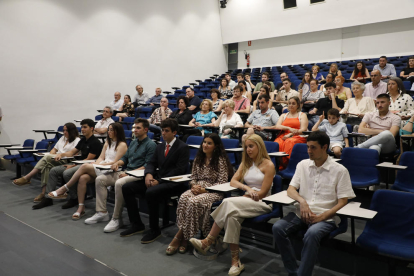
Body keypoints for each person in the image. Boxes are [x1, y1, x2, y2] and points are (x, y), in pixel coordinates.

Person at [190, 134, 275, 276]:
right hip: (246, 199)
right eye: (246, 147)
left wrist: (251, 194)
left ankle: (208, 240)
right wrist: (247, 189)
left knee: (227, 202)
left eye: (251, 146)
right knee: (232, 217)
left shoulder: (269, 165)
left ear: (259, 146)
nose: (248, 150)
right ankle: (235, 263)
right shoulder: (246, 162)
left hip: (263, 202)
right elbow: (233, 182)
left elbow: (263, 193)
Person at [273, 131, 355, 276]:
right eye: (308, 147)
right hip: (302, 213)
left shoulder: (340, 170)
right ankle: (293, 271)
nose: (309, 151)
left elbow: (343, 201)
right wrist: (302, 201)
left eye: (313, 147)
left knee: (311, 234)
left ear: (325, 147)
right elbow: (291, 189)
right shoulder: (302, 165)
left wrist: (322, 217)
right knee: (278, 227)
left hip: (326, 216)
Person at [121, 118, 190, 243]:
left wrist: (159, 181)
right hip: (158, 179)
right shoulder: (160, 146)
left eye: (166, 131)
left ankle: (154, 229)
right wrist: (148, 174)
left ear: (174, 132)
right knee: (127, 187)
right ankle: (136, 224)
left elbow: (179, 170)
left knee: (151, 192)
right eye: (162, 130)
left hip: (174, 183)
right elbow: (151, 163)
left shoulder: (182, 147)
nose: (163, 133)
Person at [84, 119, 156, 232]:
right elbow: (125, 158)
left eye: (138, 128)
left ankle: (116, 218)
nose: (135, 130)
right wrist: (117, 163)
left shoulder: (151, 145)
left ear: (146, 130)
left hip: (139, 174)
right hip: (127, 171)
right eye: (134, 128)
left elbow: (148, 165)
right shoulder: (133, 142)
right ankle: (102, 212)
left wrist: (127, 173)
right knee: (100, 179)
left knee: (119, 183)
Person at [166, 134, 233, 255]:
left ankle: (181, 236)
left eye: (209, 143)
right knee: (183, 197)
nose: (205, 145)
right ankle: (185, 236)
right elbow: (193, 177)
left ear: (216, 146)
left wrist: (205, 190)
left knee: (193, 202)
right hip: (198, 188)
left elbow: (222, 183)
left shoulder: (220, 160)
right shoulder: (199, 158)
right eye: (204, 142)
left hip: (214, 191)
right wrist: (193, 186)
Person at [48, 123, 127, 220]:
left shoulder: (122, 145)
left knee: (85, 166)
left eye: (111, 130)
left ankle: (64, 188)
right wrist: (97, 164)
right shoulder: (108, 142)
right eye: (108, 129)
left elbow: (115, 162)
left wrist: (97, 165)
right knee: (82, 178)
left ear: (117, 132)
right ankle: (81, 208)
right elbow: (101, 157)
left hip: (111, 170)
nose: (109, 132)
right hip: (101, 167)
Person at [32, 119, 102, 210]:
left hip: (87, 166)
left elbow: (88, 159)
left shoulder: (95, 142)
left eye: (85, 127)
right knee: (53, 171)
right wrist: (61, 154)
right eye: (81, 127)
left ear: (92, 128)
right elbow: (72, 152)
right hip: (77, 163)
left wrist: (73, 165)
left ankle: (74, 198)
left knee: (67, 173)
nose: (82, 129)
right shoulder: (83, 140)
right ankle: (48, 198)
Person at [13, 123, 81, 202]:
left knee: (46, 159)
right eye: (64, 130)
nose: (64, 132)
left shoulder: (77, 140)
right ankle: (44, 193)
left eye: (66, 130)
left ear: (72, 131)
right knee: (46, 166)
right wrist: (52, 154)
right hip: (56, 159)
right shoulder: (62, 138)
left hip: (68, 160)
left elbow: (73, 153)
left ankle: (27, 177)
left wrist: (60, 155)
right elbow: (54, 149)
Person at [273, 97, 308, 169]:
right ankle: (279, 165)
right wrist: (288, 128)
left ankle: (288, 166)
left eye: (293, 103)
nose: (291, 105)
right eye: (289, 103)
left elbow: (303, 130)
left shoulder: (302, 115)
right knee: (277, 143)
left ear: (298, 105)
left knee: (290, 141)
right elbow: (278, 126)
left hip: (297, 136)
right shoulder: (284, 115)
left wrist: (292, 133)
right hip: (284, 135)